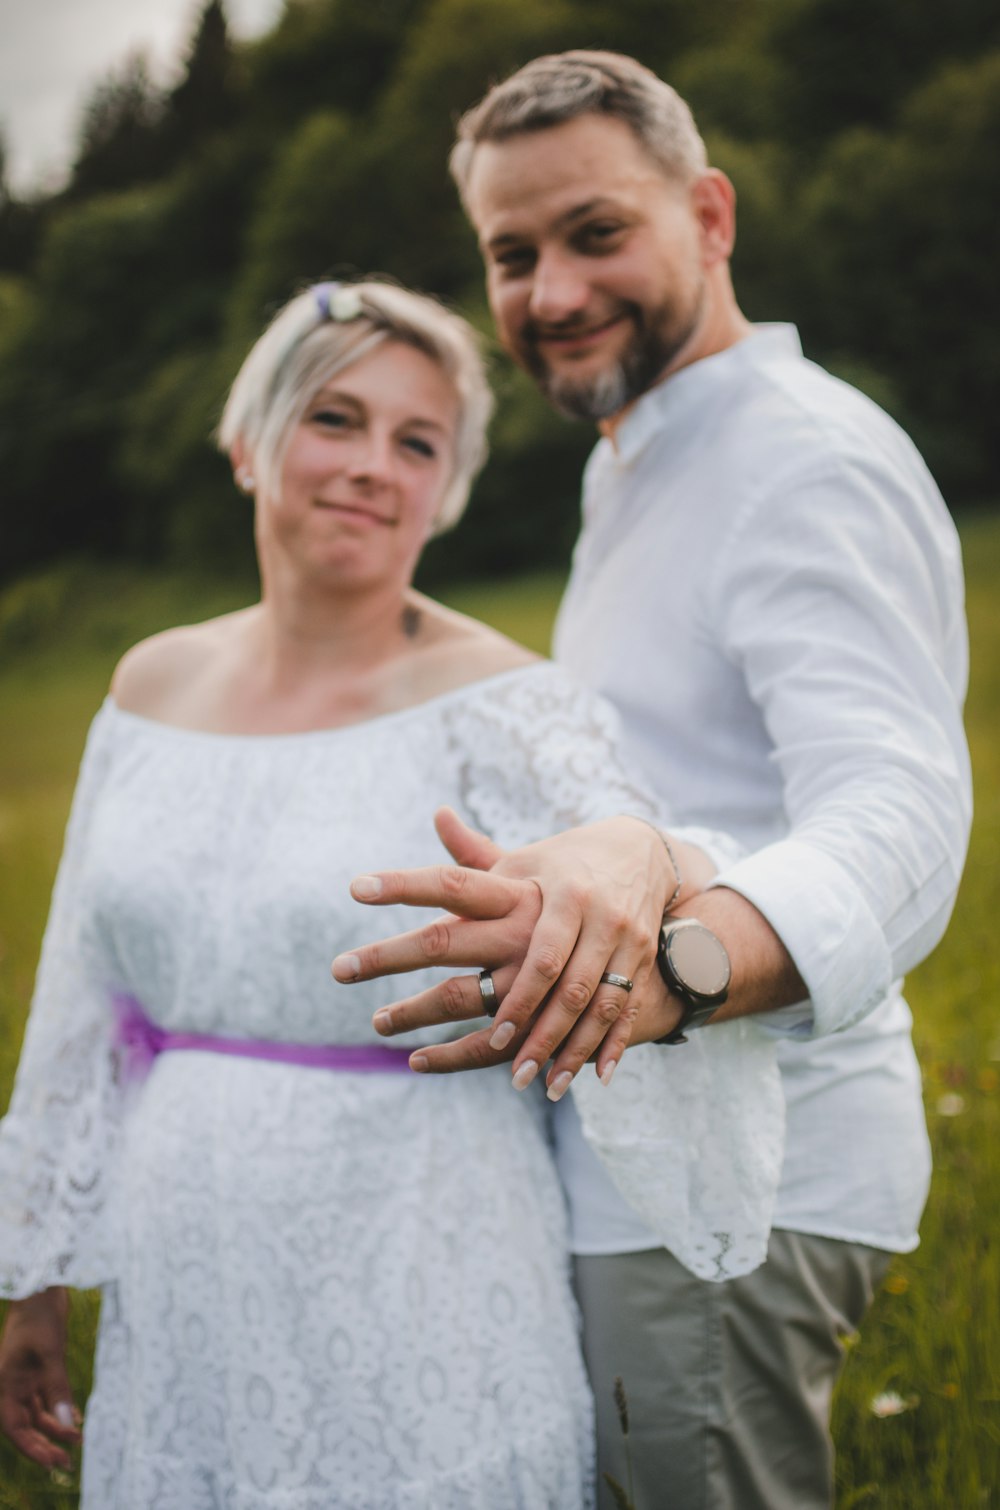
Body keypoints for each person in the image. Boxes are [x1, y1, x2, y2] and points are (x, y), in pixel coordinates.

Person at [0, 277, 783, 1508]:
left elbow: (651, 896)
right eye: (334, 419)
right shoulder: (148, 682)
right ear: (251, 440)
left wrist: (588, 939)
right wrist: (29, 1263)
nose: (373, 464)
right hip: (188, 1265)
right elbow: (77, 992)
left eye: (416, 441)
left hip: (426, 1251)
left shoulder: (513, 705)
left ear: (448, 485)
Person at [330, 53, 973, 1509]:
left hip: (739, 1188)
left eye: (595, 232)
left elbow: (903, 811)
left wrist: (669, 971)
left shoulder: (795, 458)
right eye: (512, 253)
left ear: (711, 215)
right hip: (651, 1172)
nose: (550, 290)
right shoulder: (644, 462)